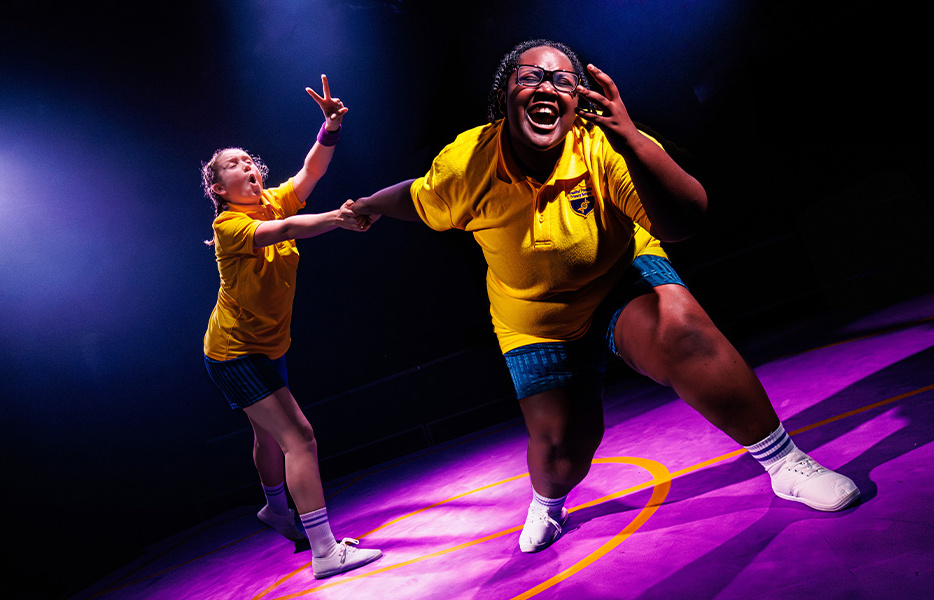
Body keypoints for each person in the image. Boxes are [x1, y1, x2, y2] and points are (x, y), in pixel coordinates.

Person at [350, 40, 859, 553]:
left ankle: (785, 463)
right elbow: (418, 196)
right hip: (534, 320)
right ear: (505, 95)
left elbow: (686, 221)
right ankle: (547, 503)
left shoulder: (603, 143)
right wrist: (369, 204)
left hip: (618, 276)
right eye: (531, 77)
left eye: (564, 81)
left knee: (683, 333)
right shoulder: (466, 164)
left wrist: (634, 140)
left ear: (579, 101)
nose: (548, 87)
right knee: (563, 456)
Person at [201, 75, 382, 578]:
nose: (248, 166)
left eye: (248, 160)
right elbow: (284, 229)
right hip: (235, 353)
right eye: (234, 165)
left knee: (267, 434)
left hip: (267, 347)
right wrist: (338, 220)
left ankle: (276, 509)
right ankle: (324, 550)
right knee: (299, 438)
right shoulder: (229, 226)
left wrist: (330, 126)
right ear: (219, 188)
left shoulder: (272, 200)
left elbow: (310, 172)